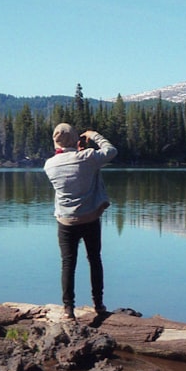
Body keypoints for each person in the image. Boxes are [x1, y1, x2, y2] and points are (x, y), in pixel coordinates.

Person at [43, 123, 117, 320]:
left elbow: (71, 168)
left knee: (68, 263)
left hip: (65, 221)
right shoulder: (88, 157)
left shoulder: (49, 165)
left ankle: (68, 309)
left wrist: (78, 151)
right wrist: (94, 135)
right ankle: (99, 304)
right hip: (90, 218)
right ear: (75, 138)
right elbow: (111, 151)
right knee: (94, 259)